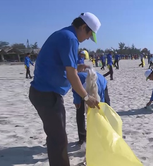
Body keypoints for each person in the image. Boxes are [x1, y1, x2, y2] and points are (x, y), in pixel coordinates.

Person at [29, 12, 101, 166]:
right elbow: (71, 75)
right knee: (58, 139)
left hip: (46, 93)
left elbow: (66, 66)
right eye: (89, 34)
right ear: (83, 27)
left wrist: (77, 67)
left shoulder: (64, 34)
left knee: (58, 137)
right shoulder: (70, 38)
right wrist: (86, 97)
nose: (88, 38)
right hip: (46, 94)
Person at [73, 69, 110, 145]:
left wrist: (100, 105)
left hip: (101, 85)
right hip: (83, 88)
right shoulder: (77, 78)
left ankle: (103, 133)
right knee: (80, 110)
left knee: (104, 110)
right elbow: (75, 89)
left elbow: (102, 97)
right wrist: (77, 101)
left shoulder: (98, 83)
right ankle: (82, 137)